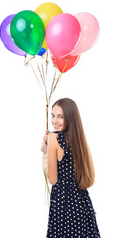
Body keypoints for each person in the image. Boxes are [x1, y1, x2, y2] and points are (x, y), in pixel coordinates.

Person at [41, 98, 101, 238]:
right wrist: (46, 145)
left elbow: (53, 179)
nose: (55, 121)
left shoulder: (54, 138)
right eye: (53, 115)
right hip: (81, 201)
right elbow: (45, 151)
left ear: (70, 117)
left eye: (61, 116)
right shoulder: (76, 138)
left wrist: (50, 143)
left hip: (63, 203)